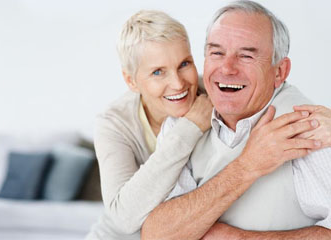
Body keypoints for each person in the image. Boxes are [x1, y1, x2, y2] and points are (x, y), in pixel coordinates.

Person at [86, 7, 331, 240]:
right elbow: (136, 224)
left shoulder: (302, 125)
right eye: (216, 52)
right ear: (131, 81)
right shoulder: (122, 123)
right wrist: (246, 163)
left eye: (184, 64)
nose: (178, 84)